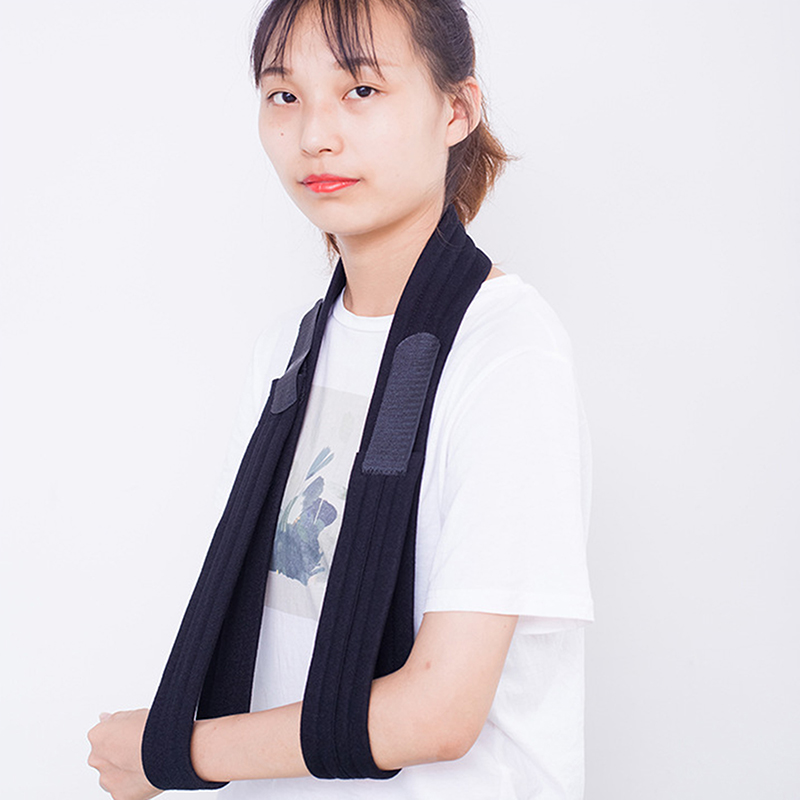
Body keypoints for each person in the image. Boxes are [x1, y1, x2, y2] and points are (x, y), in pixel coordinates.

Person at [87, 0, 593, 798]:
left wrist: (172, 751)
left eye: (361, 90)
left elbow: (438, 713)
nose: (315, 135)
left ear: (456, 110)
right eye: (284, 95)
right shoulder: (288, 356)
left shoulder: (505, 353)